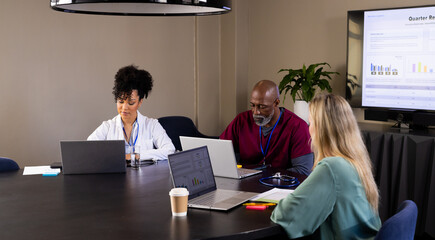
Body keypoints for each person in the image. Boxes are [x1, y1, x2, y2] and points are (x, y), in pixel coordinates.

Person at [271, 93, 381, 239]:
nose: (309, 129)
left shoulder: (332, 167)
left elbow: (285, 215)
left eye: (311, 123)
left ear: (321, 128)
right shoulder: (355, 161)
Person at [220, 80, 313, 175]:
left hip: (280, 186)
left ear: (276, 103)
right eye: (253, 105)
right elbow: (221, 155)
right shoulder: (241, 121)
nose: (256, 112)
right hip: (244, 184)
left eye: (262, 107)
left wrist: (267, 177)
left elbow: (303, 171)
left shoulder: (297, 126)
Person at [88, 65, 175, 161]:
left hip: (145, 175)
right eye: (121, 101)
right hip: (117, 176)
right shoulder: (108, 127)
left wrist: (136, 156)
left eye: (131, 103)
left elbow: (169, 150)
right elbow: (87, 149)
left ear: (140, 102)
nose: (124, 108)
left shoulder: (152, 125)